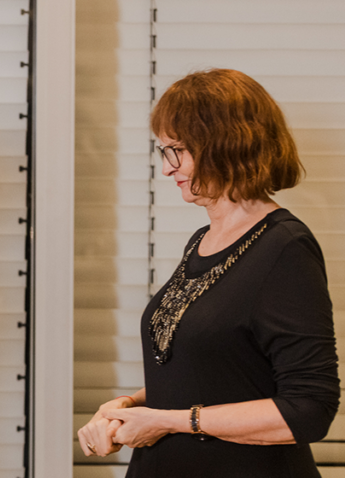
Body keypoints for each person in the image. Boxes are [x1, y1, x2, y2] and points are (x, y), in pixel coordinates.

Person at [77, 69, 339, 477]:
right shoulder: (203, 239)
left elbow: (308, 410)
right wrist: (129, 407)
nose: (168, 169)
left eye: (177, 150)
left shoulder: (285, 248)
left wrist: (167, 421)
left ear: (226, 144)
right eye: (165, 151)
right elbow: (209, 373)